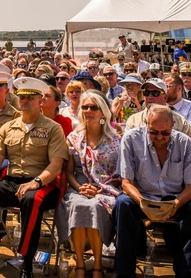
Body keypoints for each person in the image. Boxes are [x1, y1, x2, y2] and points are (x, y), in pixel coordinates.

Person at [0, 77, 68, 278]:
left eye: (30, 97)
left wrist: (36, 182)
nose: (24, 101)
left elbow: (56, 164)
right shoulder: (9, 127)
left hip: (42, 183)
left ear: (40, 100)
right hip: (13, 181)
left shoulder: (53, 128)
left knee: (32, 199)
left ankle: (27, 263)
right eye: (22, 97)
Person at [113, 105, 191, 278]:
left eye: (165, 133)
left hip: (175, 198)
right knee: (122, 204)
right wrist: (142, 202)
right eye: (154, 132)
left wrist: (176, 205)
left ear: (173, 126)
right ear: (146, 124)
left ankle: (187, 272)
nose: (160, 137)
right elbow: (126, 182)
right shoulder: (131, 138)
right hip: (142, 196)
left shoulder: (184, 142)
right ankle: (123, 272)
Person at [58, 90, 122, 278]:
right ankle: (79, 264)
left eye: (93, 107)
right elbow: (69, 171)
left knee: (94, 206)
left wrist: (98, 189)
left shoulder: (116, 140)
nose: (88, 111)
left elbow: (119, 175)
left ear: (103, 112)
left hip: (107, 189)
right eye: (85, 107)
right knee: (78, 204)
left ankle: (97, 266)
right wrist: (80, 187)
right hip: (78, 186)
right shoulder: (74, 138)